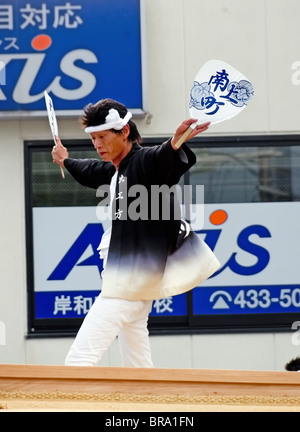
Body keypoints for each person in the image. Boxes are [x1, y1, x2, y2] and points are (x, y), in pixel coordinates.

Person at [51, 98, 212, 368]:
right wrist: (65, 160)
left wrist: (175, 143)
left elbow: (161, 157)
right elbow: (90, 170)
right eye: (94, 139)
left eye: (103, 136)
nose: (98, 144)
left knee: (79, 360)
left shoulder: (144, 162)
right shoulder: (118, 171)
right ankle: (148, 404)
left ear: (124, 132)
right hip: (133, 282)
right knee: (137, 364)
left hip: (126, 284)